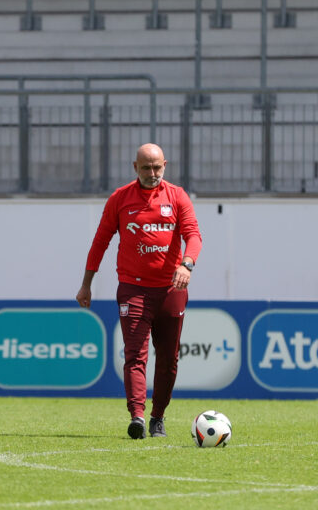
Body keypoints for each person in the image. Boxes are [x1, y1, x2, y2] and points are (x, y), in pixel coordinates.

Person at [76, 143, 201, 439]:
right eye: (146, 167)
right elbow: (100, 242)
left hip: (171, 290)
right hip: (133, 289)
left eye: (157, 167)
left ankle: (158, 417)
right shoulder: (120, 199)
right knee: (135, 355)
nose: (152, 173)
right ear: (135, 167)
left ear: (165, 165)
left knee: (169, 358)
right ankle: (138, 417)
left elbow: (193, 235)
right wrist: (86, 283)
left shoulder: (177, 196)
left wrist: (186, 265)